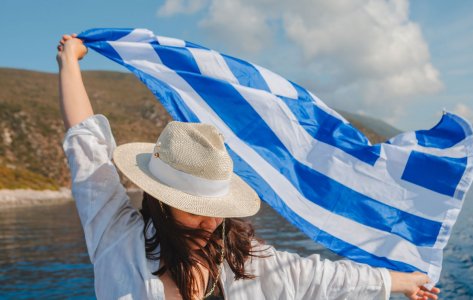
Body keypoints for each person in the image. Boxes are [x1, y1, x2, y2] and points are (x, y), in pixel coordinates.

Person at [57, 33, 441, 300]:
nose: (210, 224)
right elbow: (86, 145)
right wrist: (69, 62)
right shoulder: (115, 237)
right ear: (161, 200)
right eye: (197, 211)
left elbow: (321, 276)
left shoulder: (240, 259)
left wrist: (405, 282)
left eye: (216, 212)